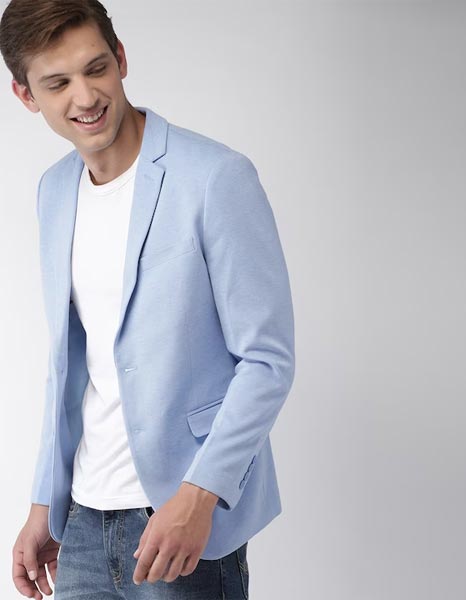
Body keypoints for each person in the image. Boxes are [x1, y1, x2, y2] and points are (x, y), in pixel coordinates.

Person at [0, 1, 295, 598]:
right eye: (58, 83)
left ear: (121, 59)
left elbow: (267, 360)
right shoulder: (54, 190)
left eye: (96, 69)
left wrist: (199, 495)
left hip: (179, 520)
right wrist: (43, 503)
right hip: (83, 521)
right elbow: (69, 365)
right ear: (26, 95)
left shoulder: (214, 177)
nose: (85, 97)